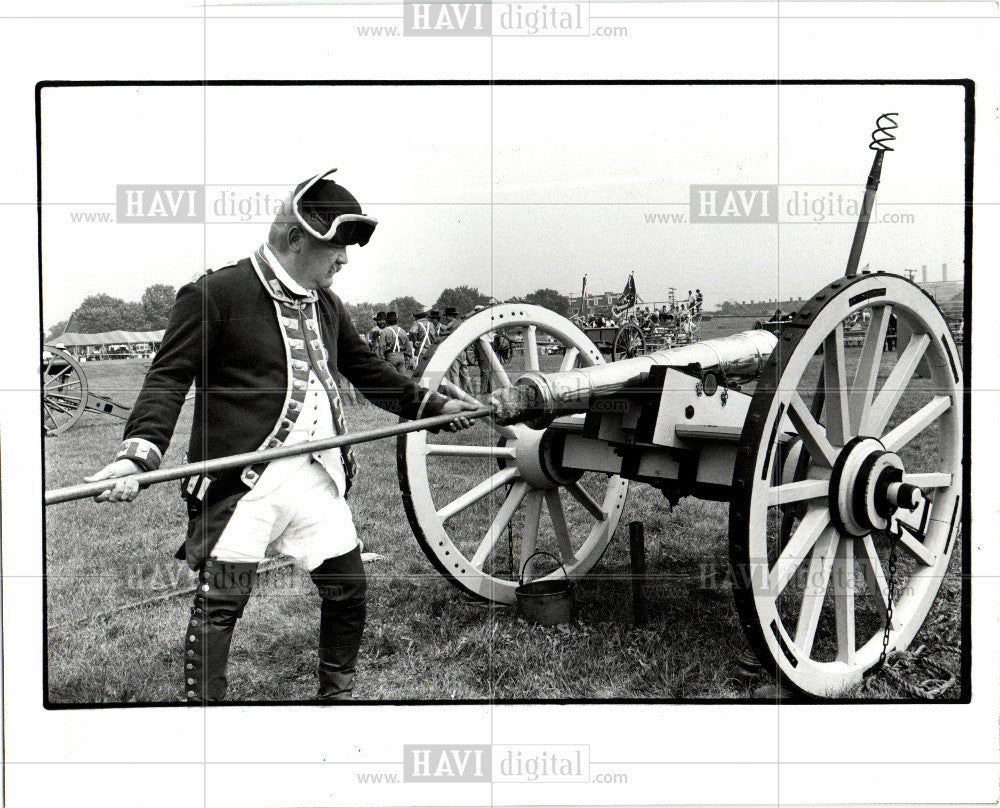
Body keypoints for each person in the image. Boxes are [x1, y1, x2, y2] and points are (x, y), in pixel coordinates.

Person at [84, 168, 480, 703]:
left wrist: (431, 405)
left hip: (317, 476)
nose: (344, 259)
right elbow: (168, 378)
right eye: (335, 247)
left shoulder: (326, 304)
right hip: (244, 481)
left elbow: (366, 369)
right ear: (296, 239)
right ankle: (204, 713)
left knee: (348, 588)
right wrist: (138, 456)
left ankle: (336, 696)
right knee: (222, 602)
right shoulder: (214, 294)